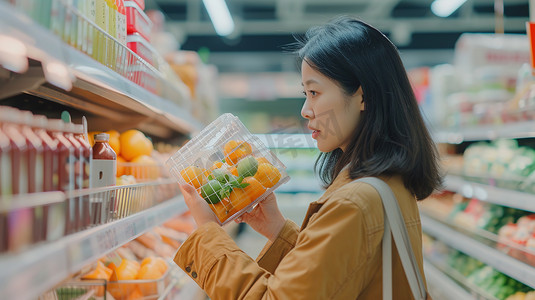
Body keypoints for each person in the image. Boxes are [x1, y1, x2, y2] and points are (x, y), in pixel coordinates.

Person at [175, 16, 442, 299]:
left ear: (364, 97)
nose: (305, 110)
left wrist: (207, 233)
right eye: (306, 93)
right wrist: (277, 228)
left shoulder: (355, 202)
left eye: (314, 92)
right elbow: (337, 276)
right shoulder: (388, 182)